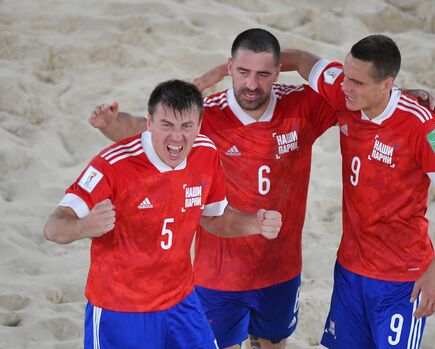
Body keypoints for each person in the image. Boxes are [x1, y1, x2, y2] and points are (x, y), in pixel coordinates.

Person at [89, 29, 435, 349]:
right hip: (218, 276)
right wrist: (111, 123)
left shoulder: (302, 106)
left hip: (281, 270)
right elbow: (145, 130)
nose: (251, 84)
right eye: (242, 72)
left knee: (273, 345)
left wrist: (405, 96)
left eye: (262, 74)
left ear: (277, 73)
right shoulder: (207, 115)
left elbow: (358, 99)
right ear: (230, 69)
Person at [43, 79, 282, 349]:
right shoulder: (112, 166)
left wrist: (255, 222)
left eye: (186, 126)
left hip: (181, 303)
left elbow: (214, 218)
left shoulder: (205, 154)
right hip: (120, 310)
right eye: (166, 125)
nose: (177, 137)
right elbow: (53, 227)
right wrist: (84, 226)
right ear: (149, 123)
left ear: (199, 126)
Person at [281, 36, 435, 348]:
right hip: (350, 270)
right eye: (345, 76)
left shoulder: (421, 125)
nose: (345, 87)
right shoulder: (345, 93)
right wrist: (241, 74)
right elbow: (301, 60)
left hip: (401, 279)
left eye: (357, 82)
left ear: (387, 85)